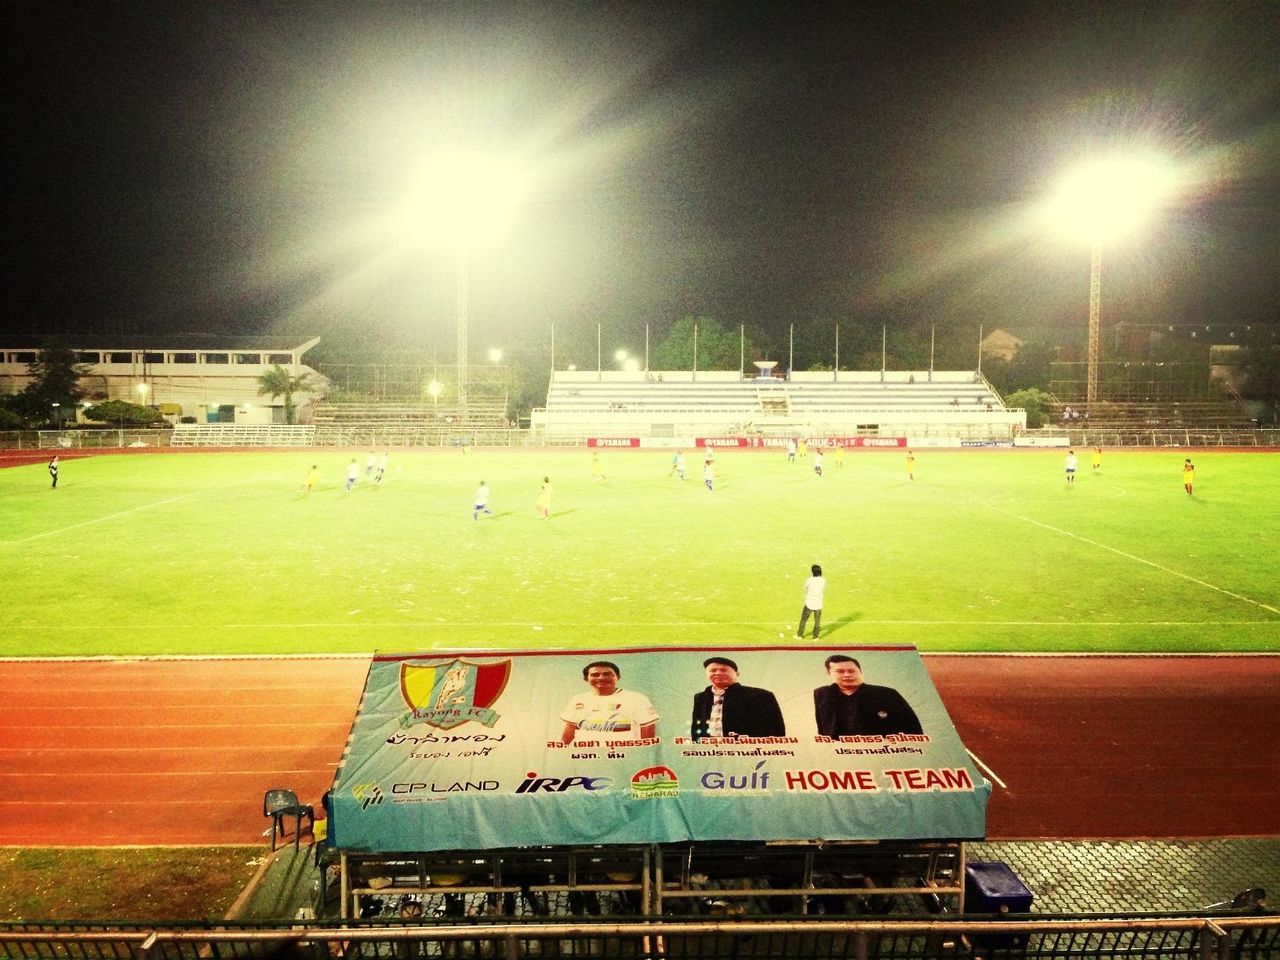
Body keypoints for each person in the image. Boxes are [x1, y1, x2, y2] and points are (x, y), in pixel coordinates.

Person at [814, 654, 922, 737]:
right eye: (840, 671)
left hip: (877, 751)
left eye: (852, 671)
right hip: (839, 752)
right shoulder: (822, 694)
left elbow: (913, 727)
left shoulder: (887, 694)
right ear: (829, 673)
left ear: (860, 671)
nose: (847, 675)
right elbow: (822, 726)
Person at [561, 661, 658, 744]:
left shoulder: (637, 698)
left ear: (618, 677)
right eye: (595, 675)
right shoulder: (578, 699)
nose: (601, 678)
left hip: (625, 756)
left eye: (607, 674)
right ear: (586, 679)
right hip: (586, 756)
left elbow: (648, 731)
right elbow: (569, 730)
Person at [690, 657, 785, 741]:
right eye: (713, 670)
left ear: (737, 674)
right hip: (710, 751)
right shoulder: (701, 697)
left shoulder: (761, 695)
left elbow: (776, 728)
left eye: (724, 670)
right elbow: (696, 726)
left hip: (748, 751)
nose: (718, 673)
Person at [797, 564, 825, 640]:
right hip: (818, 604)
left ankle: (799, 635)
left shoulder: (809, 580)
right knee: (817, 622)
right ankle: (815, 637)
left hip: (809, 603)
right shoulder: (822, 580)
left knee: (804, 619)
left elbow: (805, 588)